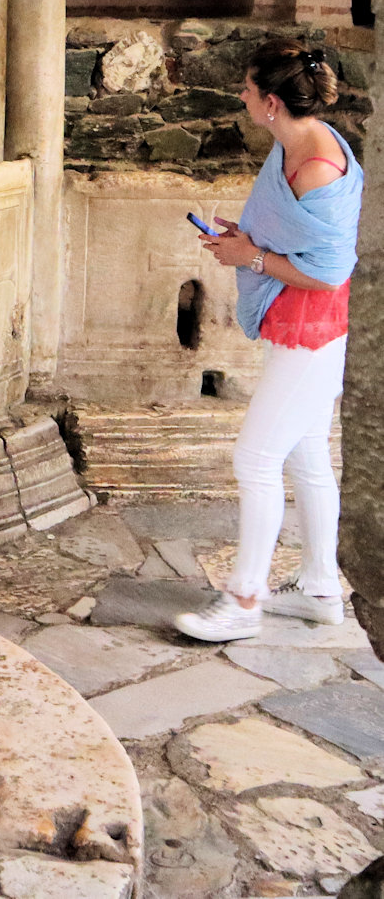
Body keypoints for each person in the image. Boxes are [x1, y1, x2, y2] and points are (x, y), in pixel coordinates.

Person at [174, 41, 363, 642]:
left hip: (314, 323)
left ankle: (244, 601)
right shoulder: (297, 141)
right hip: (299, 318)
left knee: (255, 459)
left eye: (248, 89)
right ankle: (319, 590)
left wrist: (250, 256)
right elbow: (288, 233)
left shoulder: (315, 165)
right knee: (306, 451)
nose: (241, 96)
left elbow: (329, 269)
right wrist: (246, 237)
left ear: (272, 102)